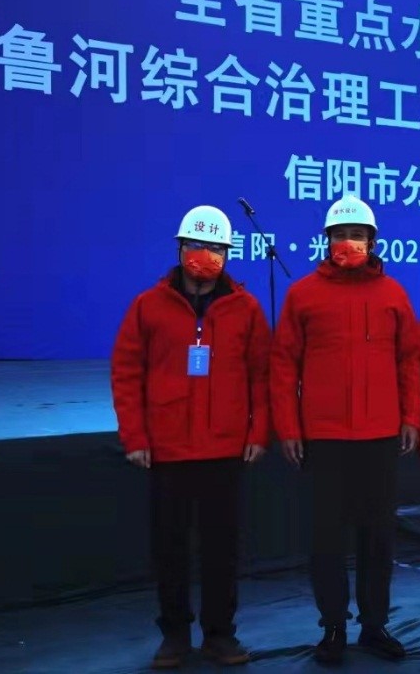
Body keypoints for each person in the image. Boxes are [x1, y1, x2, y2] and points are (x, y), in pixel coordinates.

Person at [110, 204, 271, 668]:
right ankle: (175, 635)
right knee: (170, 549)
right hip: (168, 449)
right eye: (196, 246)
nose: (204, 255)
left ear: (228, 254)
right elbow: (126, 373)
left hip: (225, 448)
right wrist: (135, 436)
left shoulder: (245, 308)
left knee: (222, 549)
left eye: (214, 247)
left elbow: (261, 375)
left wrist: (258, 431)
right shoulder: (148, 305)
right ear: (180, 249)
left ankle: (220, 634)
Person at [270, 194, 420, 666]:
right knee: (327, 539)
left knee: (378, 537)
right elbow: (282, 365)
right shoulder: (303, 294)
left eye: (358, 235)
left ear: (373, 242)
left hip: (379, 436)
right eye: (341, 235)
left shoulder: (393, 294)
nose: (349, 242)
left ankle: (374, 626)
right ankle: (333, 626)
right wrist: (288, 427)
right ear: (327, 240)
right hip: (325, 437)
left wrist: (411, 417)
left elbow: (410, 361)